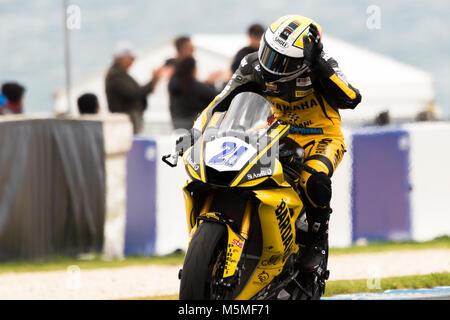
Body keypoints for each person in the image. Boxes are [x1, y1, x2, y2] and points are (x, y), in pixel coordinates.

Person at [181, 15, 362, 273]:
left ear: (305, 59)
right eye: (269, 52)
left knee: (313, 179)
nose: (271, 64)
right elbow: (219, 102)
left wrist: (321, 66)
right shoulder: (251, 65)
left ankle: (316, 240)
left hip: (321, 138)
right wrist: (194, 132)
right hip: (275, 133)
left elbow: (352, 98)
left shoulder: (322, 68)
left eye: (283, 60)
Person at [105, 41, 165, 134]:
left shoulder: (121, 75)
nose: (133, 61)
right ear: (121, 58)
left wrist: (153, 82)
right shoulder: (115, 76)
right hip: (126, 123)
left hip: (130, 121)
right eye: (130, 58)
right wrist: (153, 81)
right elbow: (134, 93)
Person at [168, 56, 219, 129]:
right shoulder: (194, 86)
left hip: (177, 124)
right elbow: (216, 97)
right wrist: (211, 84)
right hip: (192, 125)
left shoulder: (175, 85)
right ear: (192, 69)